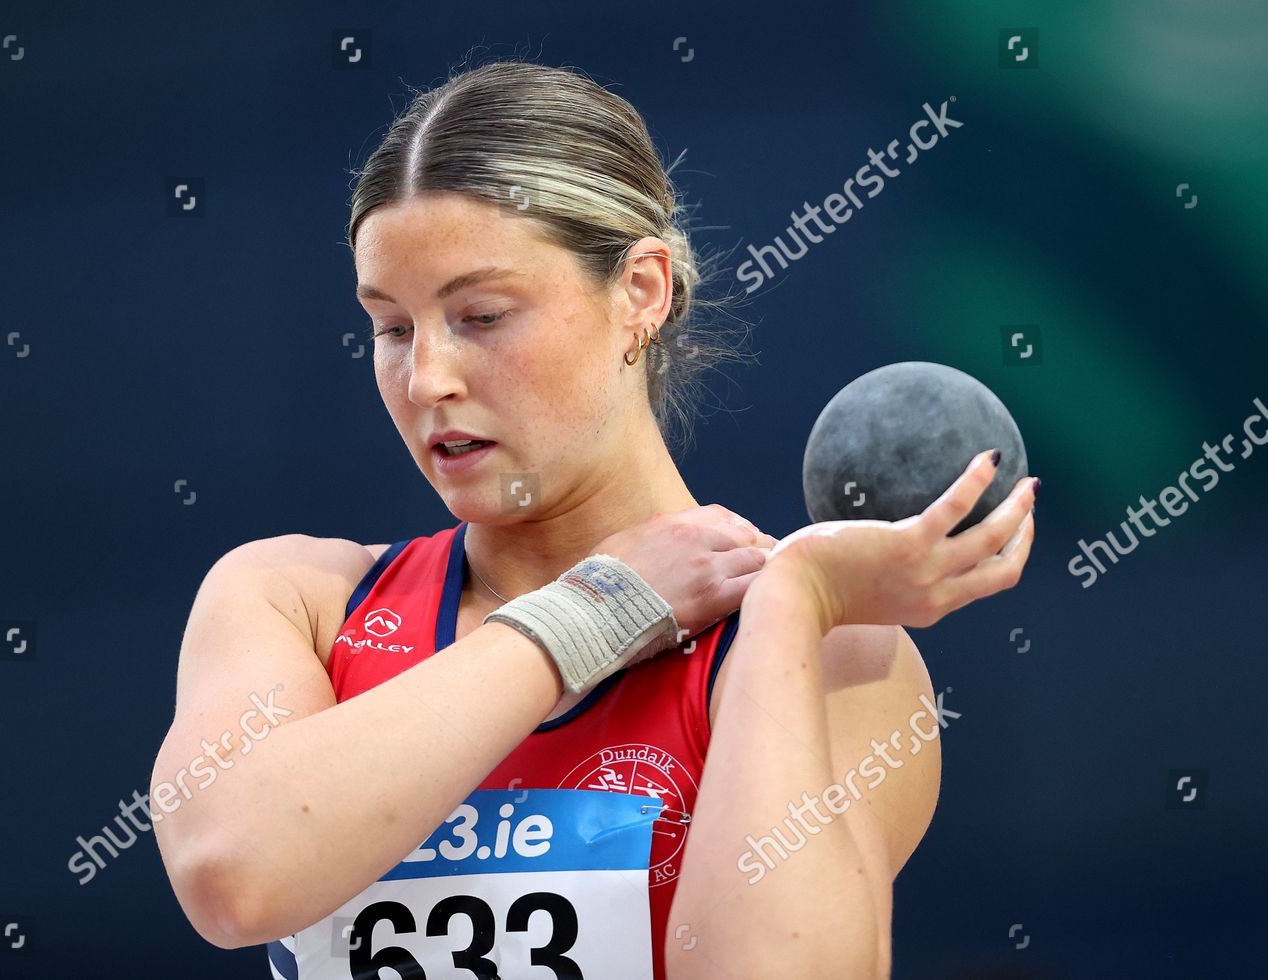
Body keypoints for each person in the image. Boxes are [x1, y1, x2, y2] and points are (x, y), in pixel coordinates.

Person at [150, 57, 1037, 979]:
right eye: (392, 327)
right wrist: (599, 608)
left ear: (640, 293)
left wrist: (790, 604)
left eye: (482, 315)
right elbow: (232, 876)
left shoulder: (826, 652)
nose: (427, 380)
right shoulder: (301, 600)